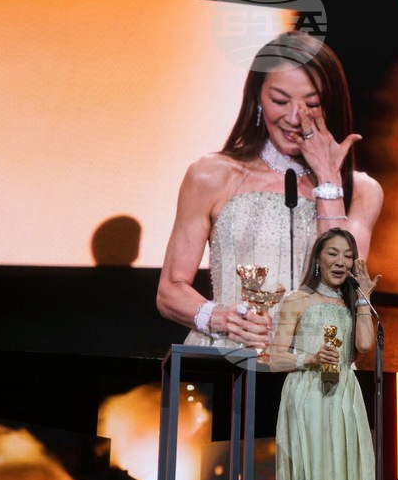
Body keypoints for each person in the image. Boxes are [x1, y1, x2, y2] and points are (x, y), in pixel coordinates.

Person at [156, 31, 383, 350]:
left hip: (316, 372)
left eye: (312, 103)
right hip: (230, 361)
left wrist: (327, 181)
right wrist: (224, 319)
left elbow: (338, 289)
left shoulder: (360, 191)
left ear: (329, 104)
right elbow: (169, 291)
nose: (294, 117)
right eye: (279, 100)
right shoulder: (212, 175)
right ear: (258, 99)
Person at [268, 228, 391, 480]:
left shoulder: (349, 301)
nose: (340, 261)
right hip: (307, 399)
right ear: (317, 257)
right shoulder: (296, 300)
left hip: (344, 400)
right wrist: (308, 356)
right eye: (333, 253)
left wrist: (363, 298)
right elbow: (274, 358)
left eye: (348, 255)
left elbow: (364, 346)